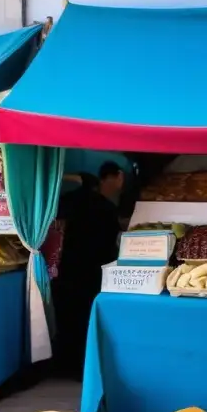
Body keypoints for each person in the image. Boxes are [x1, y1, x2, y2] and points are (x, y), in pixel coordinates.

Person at [52, 162, 125, 378]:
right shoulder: (107, 208)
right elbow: (112, 243)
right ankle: (84, 368)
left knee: (68, 317)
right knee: (86, 318)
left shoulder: (70, 202)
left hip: (69, 268)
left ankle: (64, 365)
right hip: (94, 271)